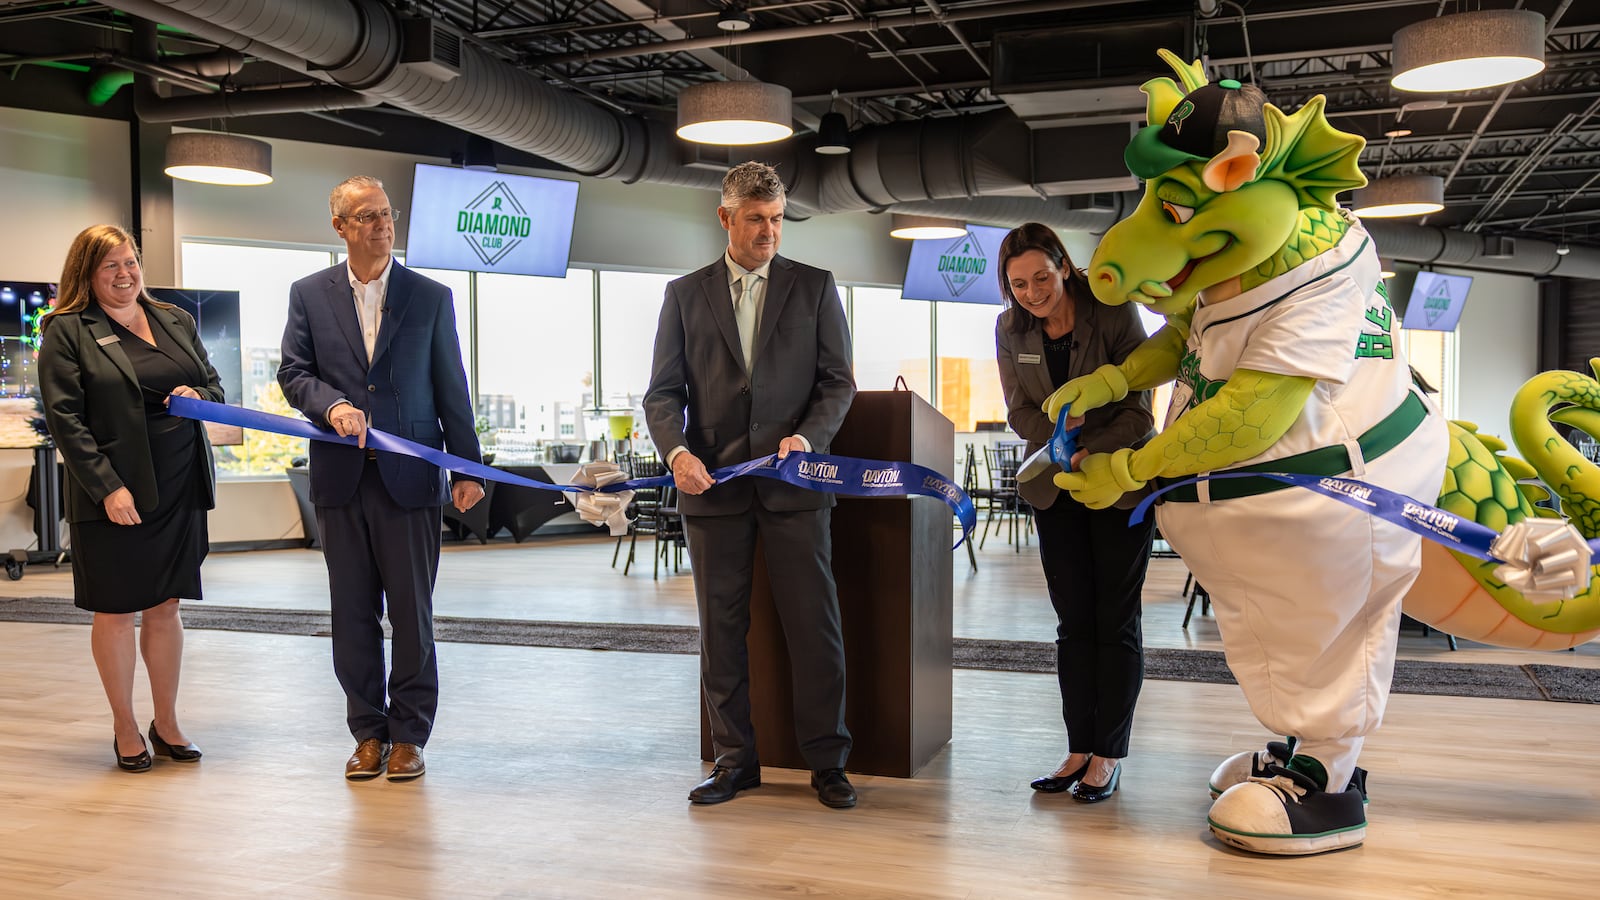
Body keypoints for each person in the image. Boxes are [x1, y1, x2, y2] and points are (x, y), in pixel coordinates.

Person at [644, 161, 858, 809]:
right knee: (720, 634)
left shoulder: (815, 287)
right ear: (725, 218)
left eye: (777, 219)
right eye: (756, 219)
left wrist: (808, 439)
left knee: (815, 627)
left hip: (795, 486)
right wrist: (677, 451)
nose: (769, 231)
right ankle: (734, 761)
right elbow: (662, 394)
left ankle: (828, 762)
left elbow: (837, 382)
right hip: (712, 490)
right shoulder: (684, 295)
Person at [279, 175, 484, 782]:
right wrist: (332, 405)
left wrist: (466, 466)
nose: (383, 225)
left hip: (411, 478)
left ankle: (409, 736)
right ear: (340, 226)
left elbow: (451, 384)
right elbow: (294, 373)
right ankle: (367, 733)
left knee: (413, 616)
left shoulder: (430, 296)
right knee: (351, 615)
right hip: (340, 479)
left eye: (387, 214)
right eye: (368, 216)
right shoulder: (308, 294)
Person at [38, 224, 222, 772]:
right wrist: (108, 488)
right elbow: (65, 420)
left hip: (180, 484)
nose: (125, 274)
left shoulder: (175, 319)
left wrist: (197, 394)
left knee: (166, 605)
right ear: (87, 274)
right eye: (110, 266)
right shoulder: (67, 329)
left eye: (130, 262)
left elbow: (214, 385)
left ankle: (166, 723)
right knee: (116, 609)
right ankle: (124, 726)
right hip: (114, 492)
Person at [993, 222, 1155, 803]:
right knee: (1073, 623)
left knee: (1115, 620)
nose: (1033, 293)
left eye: (1042, 277)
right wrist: (1060, 436)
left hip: (1117, 485)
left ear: (1064, 265)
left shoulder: (1112, 312)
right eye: (1019, 285)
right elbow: (1018, 410)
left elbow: (1140, 408)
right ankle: (1078, 747)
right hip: (1054, 488)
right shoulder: (1009, 328)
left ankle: (1107, 754)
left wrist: (1090, 448)